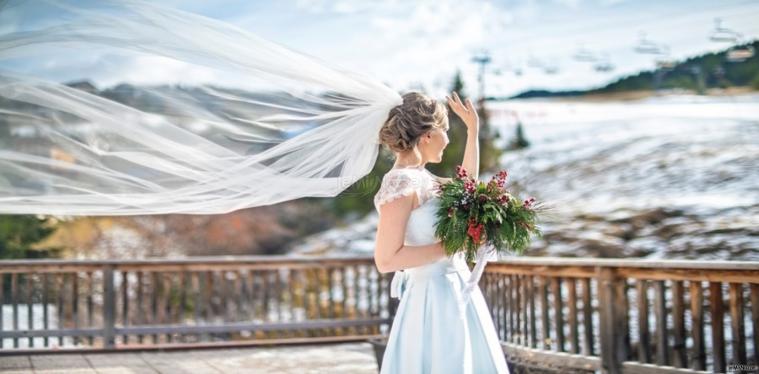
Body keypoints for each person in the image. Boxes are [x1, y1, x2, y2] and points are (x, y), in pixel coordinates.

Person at [373, 91, 510, 373]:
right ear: (427, 135)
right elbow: (386, 259)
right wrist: (452, 246)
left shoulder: (423, 177)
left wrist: (473, 132)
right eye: (445, 130)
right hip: (432, 298)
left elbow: (467, 190)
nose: (447, 139)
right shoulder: (400, 183)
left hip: (456, 288)